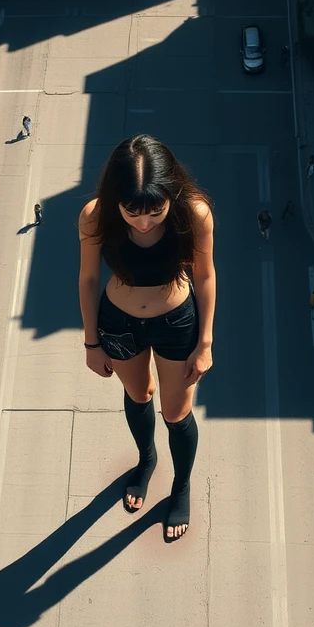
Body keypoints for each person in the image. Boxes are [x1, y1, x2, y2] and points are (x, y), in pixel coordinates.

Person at [78, 136, 215, 542]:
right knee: (138, 395)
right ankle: (146, 459)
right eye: (132, 212)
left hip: (176, 322)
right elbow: (87, 278)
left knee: (175, 413)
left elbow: (206, 276)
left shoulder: (195, 214)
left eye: (155, 211)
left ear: (170, 193)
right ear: (115, 197)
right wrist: (91, 342)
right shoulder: (94, 216)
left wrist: (205, 342)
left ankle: (182, 487)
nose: (143, 222)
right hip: (118, 323)